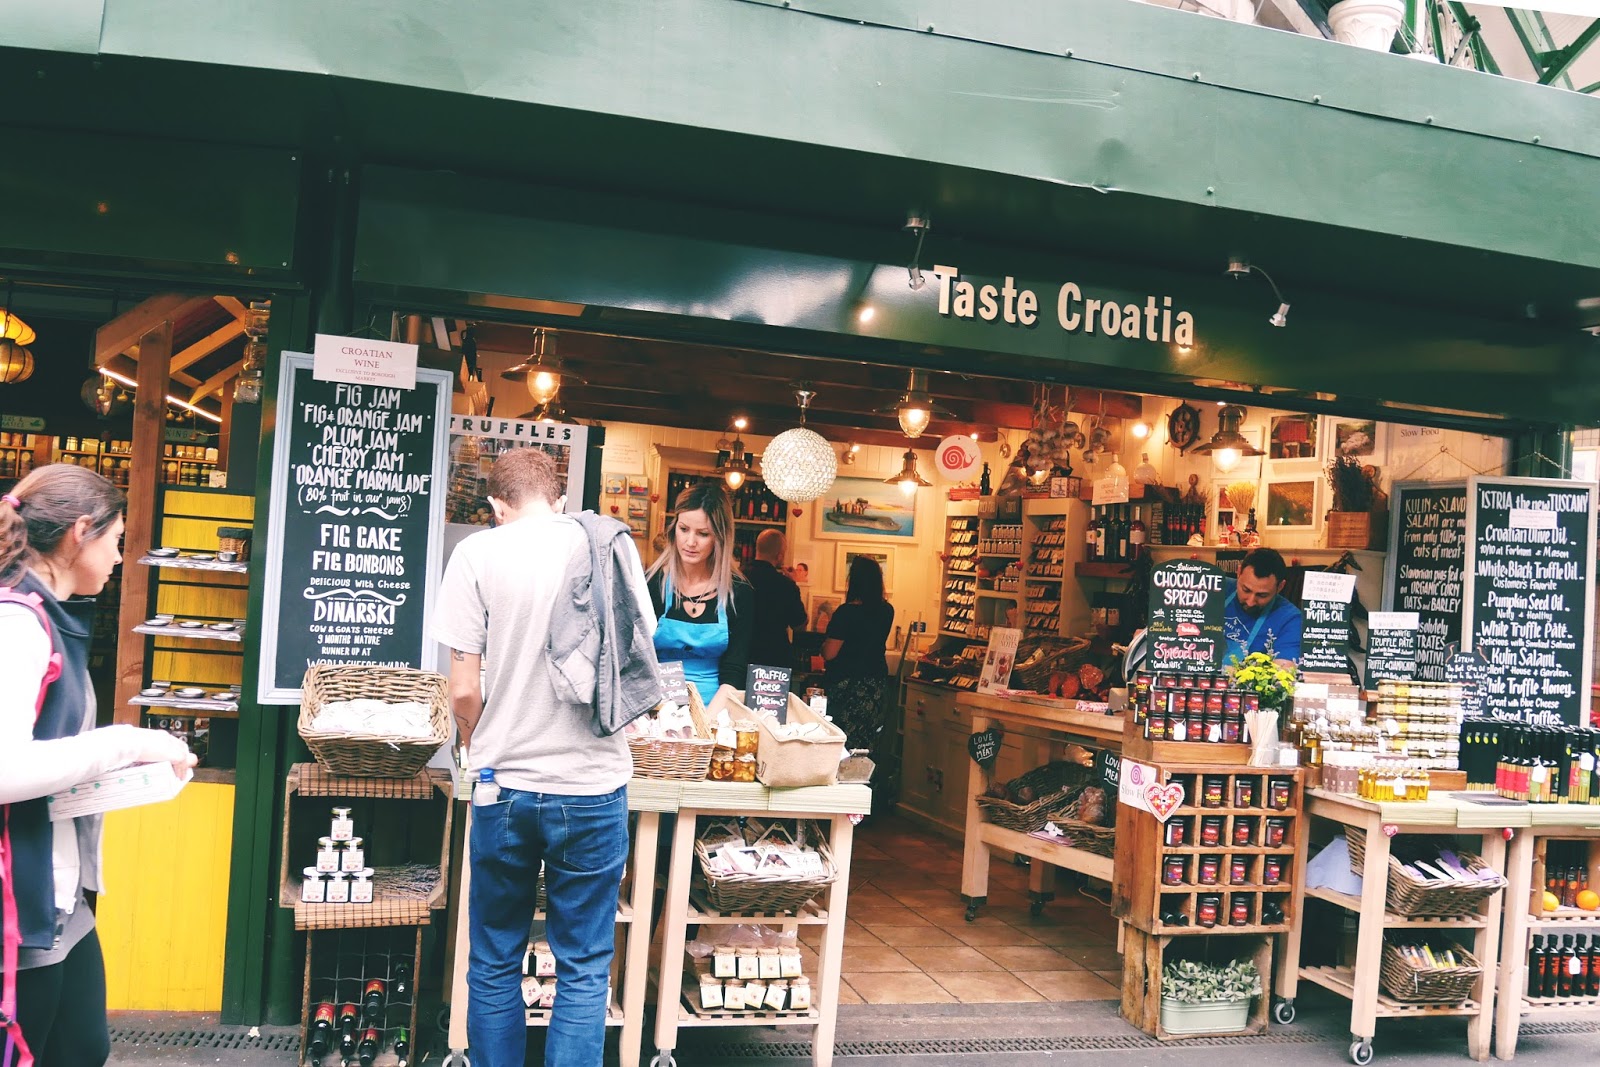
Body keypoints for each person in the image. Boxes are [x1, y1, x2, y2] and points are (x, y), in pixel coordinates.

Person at [432, 449, 655, 1067]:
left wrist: (474, 740)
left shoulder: (477, 553)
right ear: (559, 499)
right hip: (593, 785)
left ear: (496, 506)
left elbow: (463, 689)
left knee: (494, 957)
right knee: (584, 964)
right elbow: (639, 646)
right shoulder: (609, 546)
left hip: (503, 785)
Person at [0, 465, 196, 1067]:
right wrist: (126, 744)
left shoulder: (47, 616)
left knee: (82, 1048)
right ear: (81, 531)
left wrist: (132, 771)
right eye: (116, 539)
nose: (118, 557)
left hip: (59, 895)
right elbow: (6, 768)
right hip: (19, 900)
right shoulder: (17, 624)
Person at [646, 483, 753, 705]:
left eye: (703, 534)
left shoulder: (738, 592)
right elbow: (635, 657)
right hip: (654, 706)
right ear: (674, 529)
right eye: (684, 529)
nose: (690, 542)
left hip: (715, 706)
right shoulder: (652, 584)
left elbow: (734, 670)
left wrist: (709, 720)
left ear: (720, 538)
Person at [821, 555, 895, 749]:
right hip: (875, 685)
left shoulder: (846, 613)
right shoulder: (887, 611)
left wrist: (822, 645)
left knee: (841, 742)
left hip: (848, 686)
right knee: (865, 744)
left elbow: (830, 653)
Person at [1224, 547, 1303, 668]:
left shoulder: (1290, 619)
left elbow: (1284, 671)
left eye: (1262, 595)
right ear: (1239, 572)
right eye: (1246, 590)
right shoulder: (1214, 588)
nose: (1250, 602)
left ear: (1280, 587)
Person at [744, 529, 806, 670]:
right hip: (774, 657)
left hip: (742, 654)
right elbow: (799, 625)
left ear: (757, 548)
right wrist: (794, 583)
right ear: (779, 556)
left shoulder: (738, 577)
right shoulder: (786, 585)